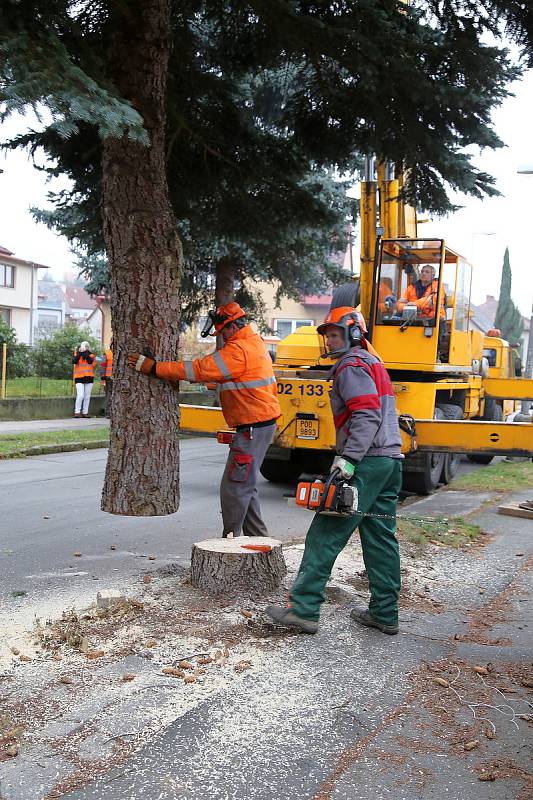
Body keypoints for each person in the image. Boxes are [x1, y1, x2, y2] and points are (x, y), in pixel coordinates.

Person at [266, 307, 403, 635]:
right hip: (390, 460)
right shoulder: (372, 361)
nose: (328, 340)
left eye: (335, 334)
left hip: (367, 461)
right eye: (326, 335)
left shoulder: (352, 366)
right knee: (380, 537)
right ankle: (385, 613)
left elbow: (367, 415)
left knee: (325, 533)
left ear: (354, 333)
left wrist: (348, 461)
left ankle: (303, 608)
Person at [127, 302, 281, 538]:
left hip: (252, 426)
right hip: (258, 423)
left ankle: (230, 543)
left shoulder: (238, 349)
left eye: (221, 333)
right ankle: (258, 541)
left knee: (234, 487)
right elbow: (227, 376)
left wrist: (156, 368)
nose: (221, 339)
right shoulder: (253, 342)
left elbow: (198, 369)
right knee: (244, 485)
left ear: (230, 327)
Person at [72, 341, 96, 418]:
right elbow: (74, 361)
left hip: (89, 377)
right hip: (79, 378)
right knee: (80, 395)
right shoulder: (77, 354)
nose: (84, 348)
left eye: (86, 347)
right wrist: (79, 353)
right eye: (83, 347)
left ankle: (85, 412)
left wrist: (85, 353)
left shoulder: (91, 355)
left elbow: (90, 362)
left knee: (87, 396)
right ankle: (77, 412)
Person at [99, 343, 113, 417]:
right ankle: (108, 413)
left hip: (116, 378)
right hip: (109, 378)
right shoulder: (107, 353)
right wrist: (102, 377)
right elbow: (103, 365)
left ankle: (111, 413)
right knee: (109, 395)